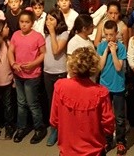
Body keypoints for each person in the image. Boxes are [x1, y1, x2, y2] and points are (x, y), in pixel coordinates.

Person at [49, 46, 115, 156]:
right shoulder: (100, 92)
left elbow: (54, 121)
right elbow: (108, 126)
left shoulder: (60, 86)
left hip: (67, 151)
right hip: (94, 152)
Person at [10, 9, 47, 144]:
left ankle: (39, 127)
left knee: (32, 103)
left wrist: (33, 64)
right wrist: (13, 63)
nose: (24, 24)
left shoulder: (38, 36)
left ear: (32, 23)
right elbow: (10, 51)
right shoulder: (15, 35)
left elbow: (43, 53)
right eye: (22, 22)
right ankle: (21, 127)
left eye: (27, 22)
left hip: (32, 75)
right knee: (21, 103)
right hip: (19, 74)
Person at [95, 19, 127, 154]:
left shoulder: (121, 47)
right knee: (105, 116)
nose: (109, 38)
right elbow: (100, 67)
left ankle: (121, 142)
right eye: (106, 35)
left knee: (119, 117)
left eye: (111, 35)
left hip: (118, 86)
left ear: (116, 33)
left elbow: (119, 67)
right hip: (104, 87)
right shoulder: (101, 46)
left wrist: (114, 52)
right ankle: (108, 140)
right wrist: (106, 51)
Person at [41, 8, 69, 147]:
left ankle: (62, 129)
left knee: (61, 103)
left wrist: (52, 32)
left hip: (60, 72)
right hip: (47, 72)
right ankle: (54, 129)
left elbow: (56, 50)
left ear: (58, 21)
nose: (48, 22)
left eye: (51, 19)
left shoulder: (64, 33)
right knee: (50, 102)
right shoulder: (46, 34)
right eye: (47, 19)